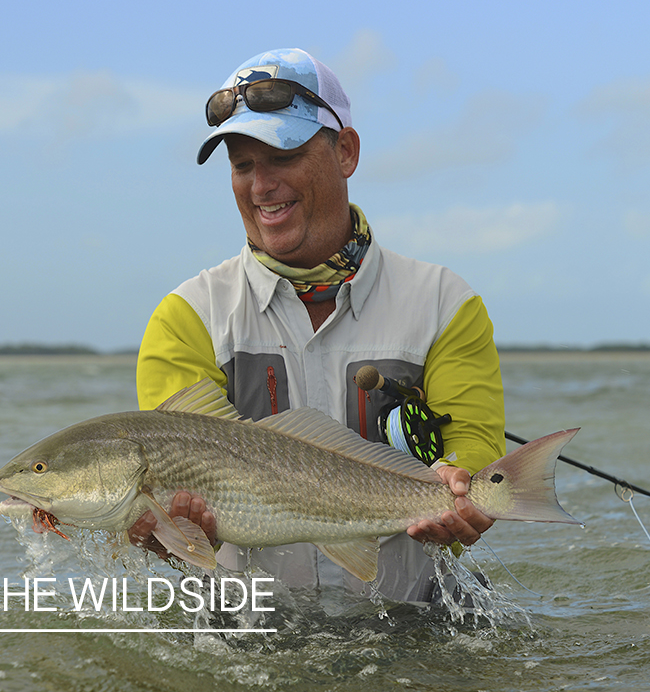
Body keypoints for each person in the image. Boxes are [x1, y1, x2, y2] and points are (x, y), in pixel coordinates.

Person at [131, 48, 505, 603]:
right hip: (252, 641)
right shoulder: (186, 317)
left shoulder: (446, 304)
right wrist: (165, 528)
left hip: (417, 632)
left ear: (346, 151)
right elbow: (168, 484)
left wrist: (465, 484)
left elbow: (475, 446)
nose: (261, 186)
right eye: (242, 165)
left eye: (282, 156)